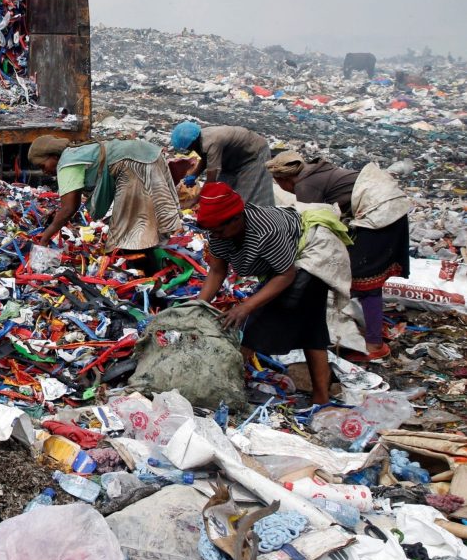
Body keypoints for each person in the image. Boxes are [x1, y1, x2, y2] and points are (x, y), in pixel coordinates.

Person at [196, 182, 352, 409]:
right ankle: (321, 397)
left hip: (312, 255)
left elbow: (286, 275)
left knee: (257, 325)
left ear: (237, 219)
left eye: (219, 230)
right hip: (286, 265)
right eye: (213, 232)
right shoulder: (220, 232)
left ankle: (223, 387)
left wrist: (246, 306)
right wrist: (199, 304)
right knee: (310, 326)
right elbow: (218, 270)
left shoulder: (266, 230)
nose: (216, 236)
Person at [266, 151, 411, 361]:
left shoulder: (306, 187)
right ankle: (366, 330)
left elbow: (311, 229)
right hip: (389, 205)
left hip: (379, 213)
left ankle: (374, 345)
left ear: (283, 179)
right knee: (357, 276)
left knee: (366, 283)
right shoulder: (315, 170)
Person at [27, 136, 183, 271]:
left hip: (132, 164)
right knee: (149, 226)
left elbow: (69, 207)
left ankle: (147, 280)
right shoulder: (77, 152)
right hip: (150, 154)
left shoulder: (67, 162)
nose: (44, 172)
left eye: (43, 166)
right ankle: (156, 272)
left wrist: (45, 238)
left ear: (54, 156)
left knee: (129, 234)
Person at [170, 122, 274, 206]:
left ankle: (256, 223)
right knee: (223, 191)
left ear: (193, 142)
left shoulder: (212, 142)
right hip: (233, 159)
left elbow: (211, 180)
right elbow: (206, 157)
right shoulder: (200, 138)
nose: (189, 150)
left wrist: (194, 200)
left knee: (247, 197)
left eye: (189, 148)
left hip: (253, 155)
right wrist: (194, 175)